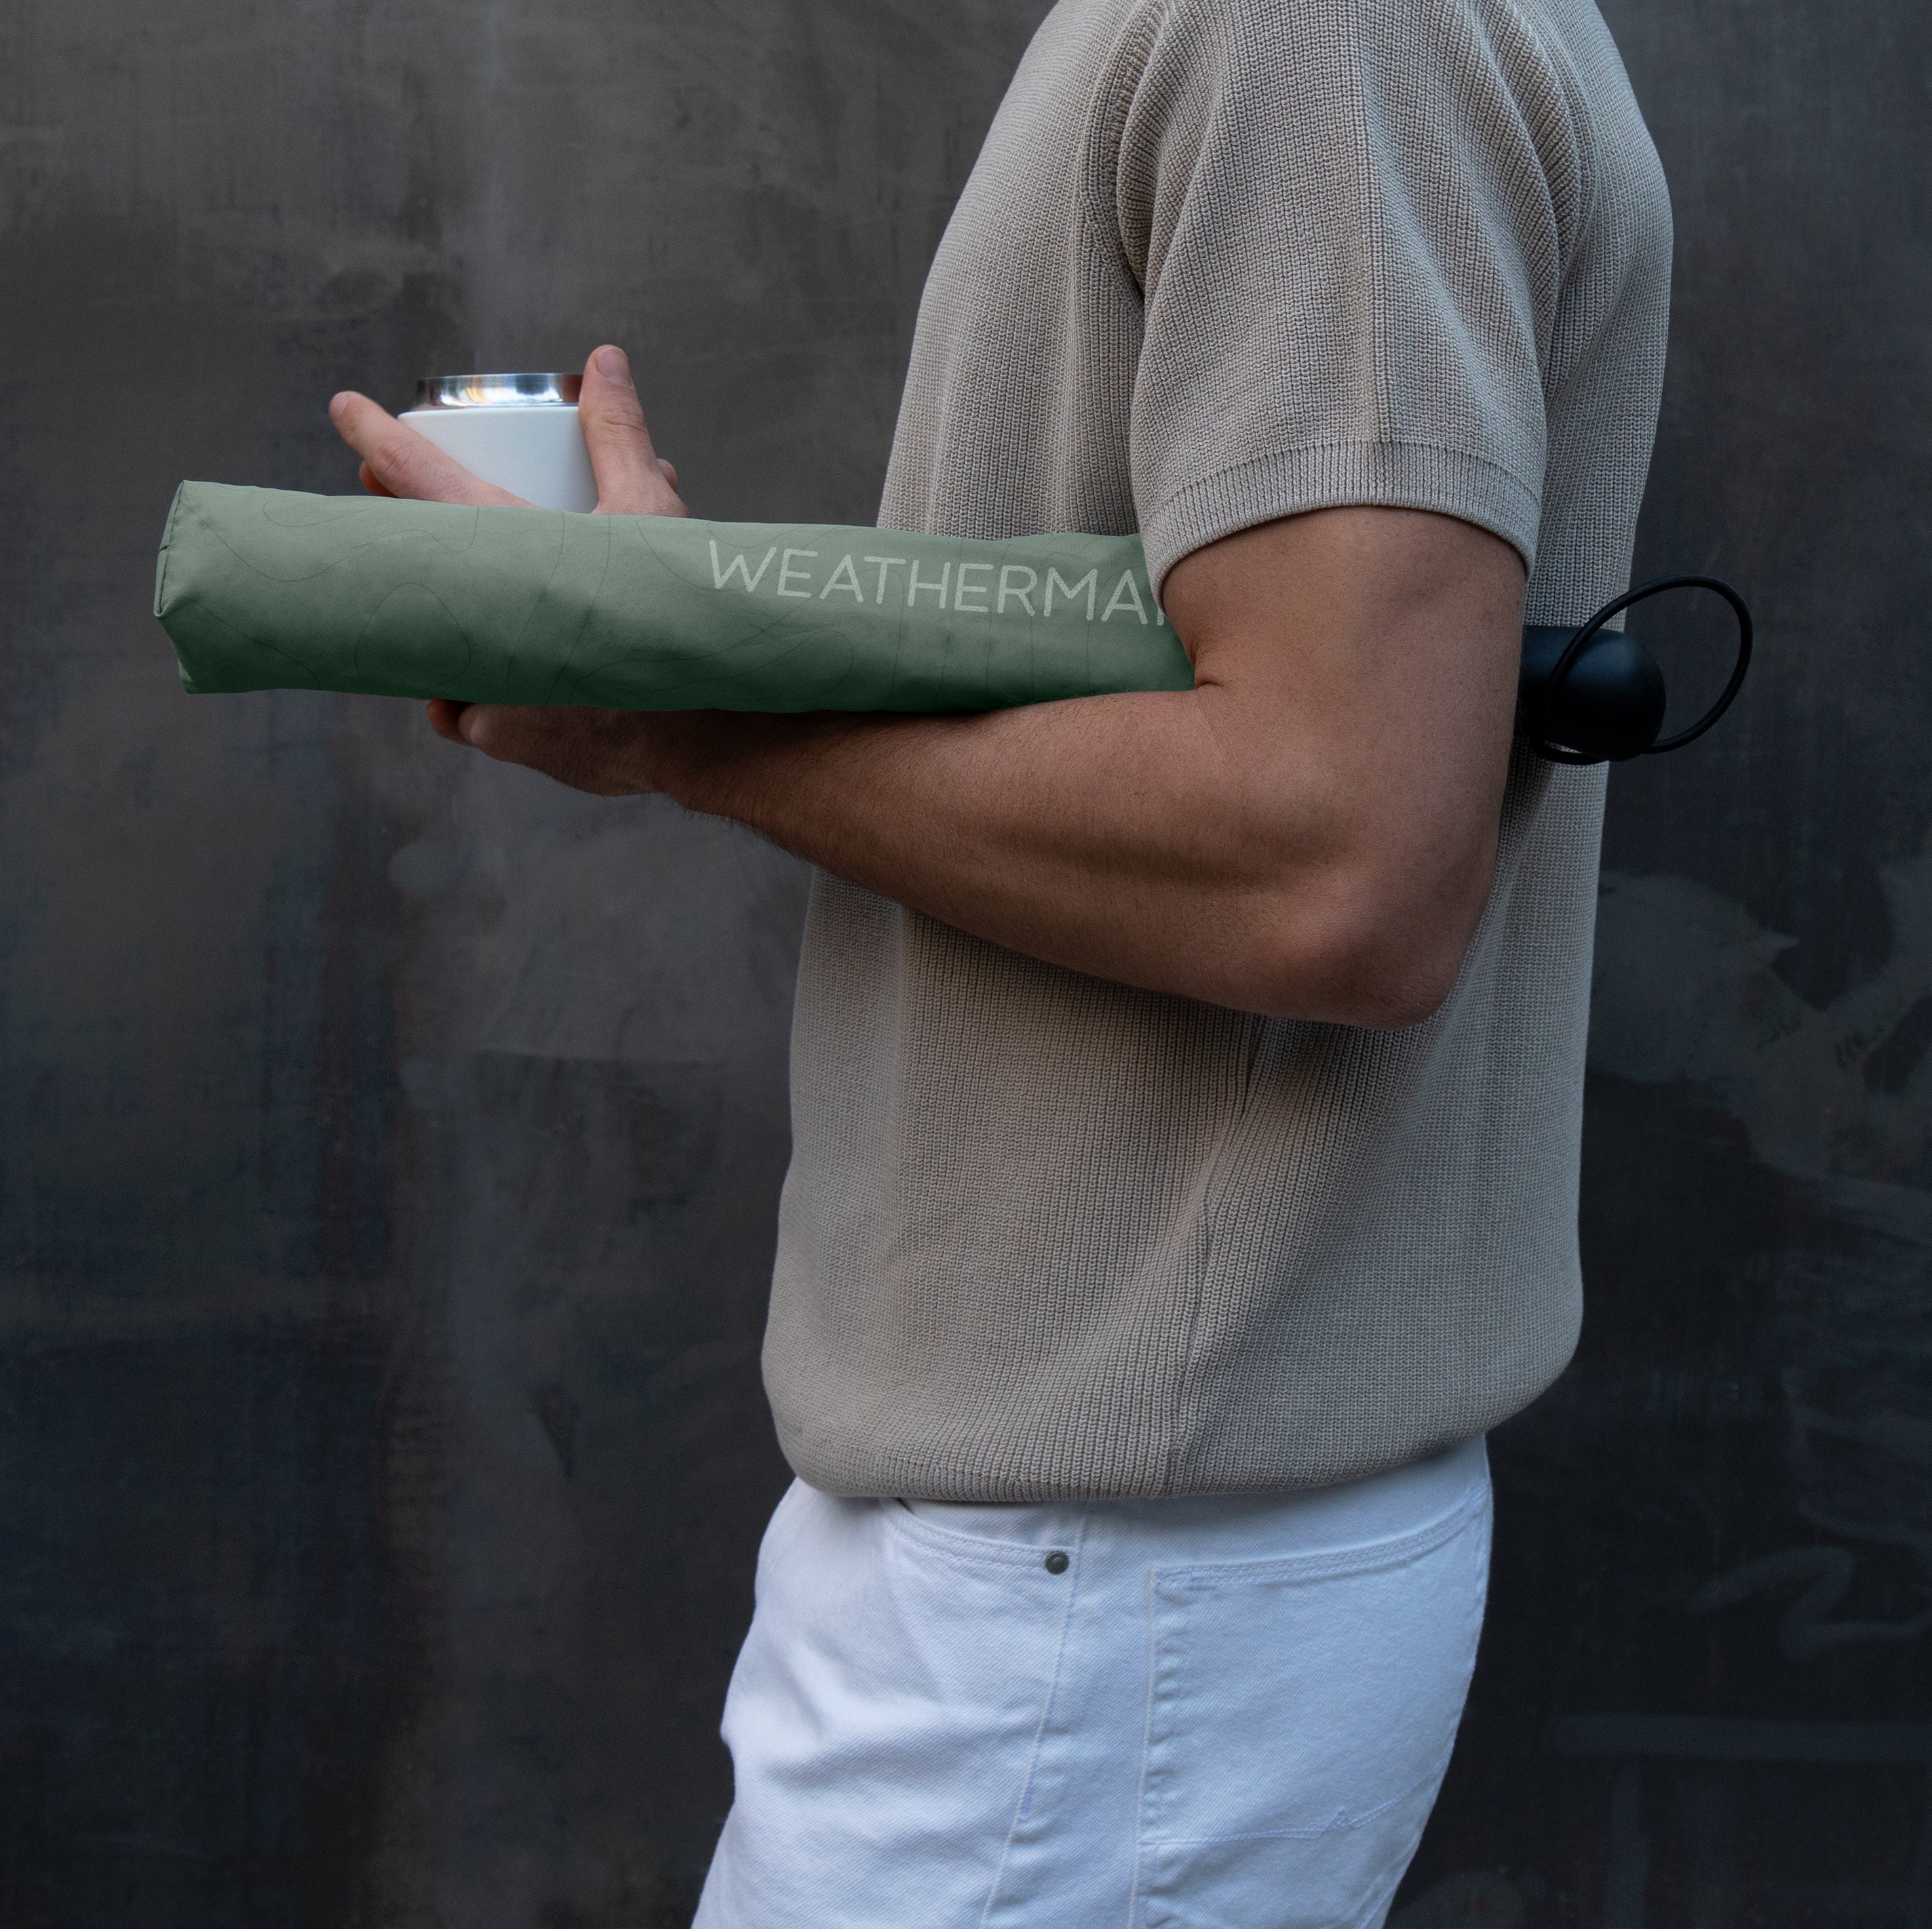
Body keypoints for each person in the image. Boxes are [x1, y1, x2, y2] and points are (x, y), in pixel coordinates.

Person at [329, 0, 1671, 1917]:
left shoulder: (1315, 29)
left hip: (1101, 1607)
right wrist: (672, 627)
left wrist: (666, 716)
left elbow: (1344, 860)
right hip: (1098, 1581)